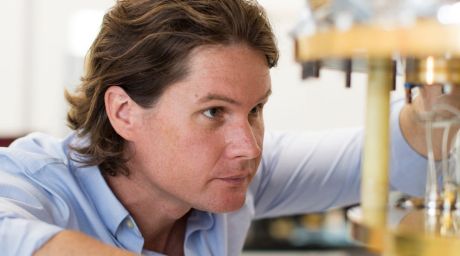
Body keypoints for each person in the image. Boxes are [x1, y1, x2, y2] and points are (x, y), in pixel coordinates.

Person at [0, 0, 457, 255]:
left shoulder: (235, 173)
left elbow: (383, 156)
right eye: (214, 113)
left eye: (255, 110)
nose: (249, 147)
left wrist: (440, 104)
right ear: (124, 113)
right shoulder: (36, 178)